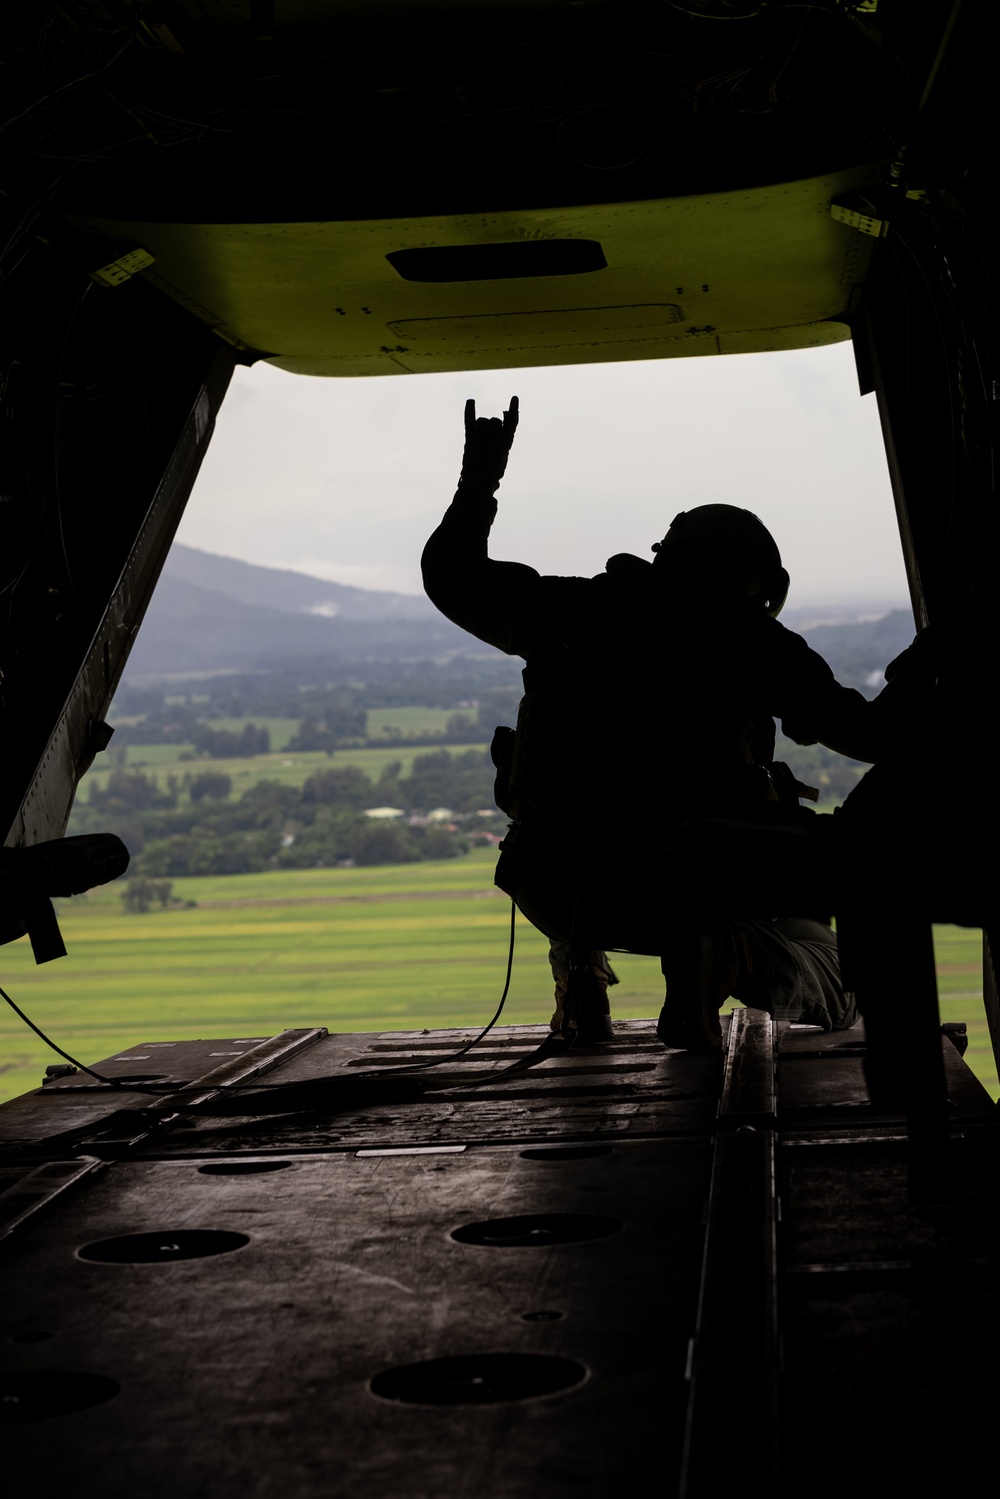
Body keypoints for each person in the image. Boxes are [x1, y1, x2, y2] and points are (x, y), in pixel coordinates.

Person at [422, 396, 890, 1050]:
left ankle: (579, 977)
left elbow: (451, 577)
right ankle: (724, 956)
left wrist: (480, 482)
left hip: (558, 885)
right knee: (837, 970)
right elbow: (870, 736)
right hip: (692, 886)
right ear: (759, 581)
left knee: (575, 788)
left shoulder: (569, 610)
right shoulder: (755, 641)